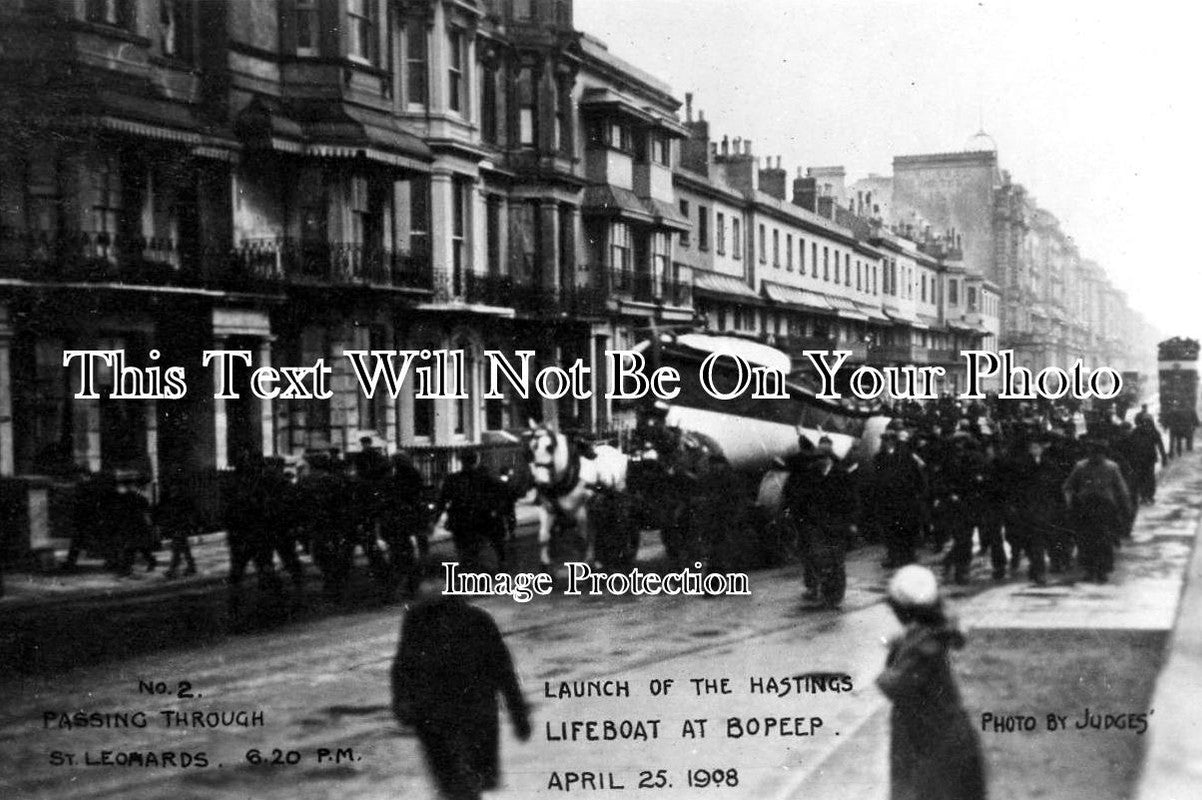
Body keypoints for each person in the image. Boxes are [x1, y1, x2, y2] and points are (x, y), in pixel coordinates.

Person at [392, 596, 532, 800]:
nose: (432, 586)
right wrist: (402, 703)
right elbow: (403, 666)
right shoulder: (416, 620)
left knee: (461, 787)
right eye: (427, 579)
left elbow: (503, 669)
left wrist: (519, 716)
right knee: (457, 787)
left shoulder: (477, 619)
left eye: (439, 577)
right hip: (438, 722)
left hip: (469, 720)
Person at [877, 565, 986, 800]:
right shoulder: (933, 632)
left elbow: (895, 685)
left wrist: (884, 673)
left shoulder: (923, 645)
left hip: (927, 739)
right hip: (948, 733)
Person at [788, 435, 859, 607]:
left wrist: (852, 522)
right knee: (820, 560)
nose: (815, 462)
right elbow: (803, 499)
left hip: (837, 525)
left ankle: (835, 597)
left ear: (827, 458)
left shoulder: (841, 475)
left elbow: (852, 501)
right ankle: (825, 593)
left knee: (836, 562)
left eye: (818, 459)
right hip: (817, 525)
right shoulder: (812, 475)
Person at [1063, 439, 1132, 584]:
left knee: (1103, 540)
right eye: (1094, 454)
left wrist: (1126, 506)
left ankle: (1101, 570)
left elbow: (1121, 488)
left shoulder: (1111, 467)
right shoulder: (1081, 467)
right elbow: (1068, 486)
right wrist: (1070, 502)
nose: (1096, 457)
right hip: (1087, 507)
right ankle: (1091, 569)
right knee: (1087, 540)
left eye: (1099, 454)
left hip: (1104, 507)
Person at [437, 451, 506, 570]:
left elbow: (442, 501)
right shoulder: (486, 479)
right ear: (477, 461)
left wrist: (435, 519)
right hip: (480, 521)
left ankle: (468, 575)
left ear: (461, 461)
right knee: (479, 551)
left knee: (464, 553)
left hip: (460, 522)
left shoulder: (452, 479)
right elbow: (499, 497)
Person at [870, 431, 927, 569]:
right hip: (887, 501)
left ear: (893, 441)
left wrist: (918, 493)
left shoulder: (906, 456)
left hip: (905, 500)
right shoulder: (879, 458)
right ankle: (893, 557)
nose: (886, 443)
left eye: (888, 440)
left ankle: (908, 555)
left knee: (906, 530)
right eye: (884, 440)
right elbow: (876, 478)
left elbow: (917, 476)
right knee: (890, 531)